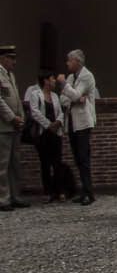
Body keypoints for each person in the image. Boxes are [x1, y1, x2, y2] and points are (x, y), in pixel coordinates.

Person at [60, 49, 97, 205]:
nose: (67, 63)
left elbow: (74, 94)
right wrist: (74, 98)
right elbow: (63, 99)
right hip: (72, 122)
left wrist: (65, 87)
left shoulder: (86, 76)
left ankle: (89, 192)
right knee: (77, 157)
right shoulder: (70, 77)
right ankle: (83, 190)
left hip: (83, 122)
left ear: (77, 61)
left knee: (83, 157)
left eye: (69, 60)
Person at [24, 70, 69, 201]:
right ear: (46, 81)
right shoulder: (35, 94)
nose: (54, 81)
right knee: (45, 163)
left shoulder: (55, 96)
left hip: (56, 133)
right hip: (43, 133)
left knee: (57, 162)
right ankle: (48, 192)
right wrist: (49, 125)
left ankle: (60, 191)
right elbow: (35, 112)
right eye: (52, 79)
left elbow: (61, 111)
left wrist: (58, 122)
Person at [0, 44, 26, 211]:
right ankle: (3, 199)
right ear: (3, 58)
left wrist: (21, 117)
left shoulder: (11, 75)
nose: (14, 62)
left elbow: (16, 98)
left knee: (15, 163)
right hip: (3, 126)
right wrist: (12, 118)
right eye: (12, 58)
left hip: (15, 126)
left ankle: (15, 196)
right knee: (3, 164)